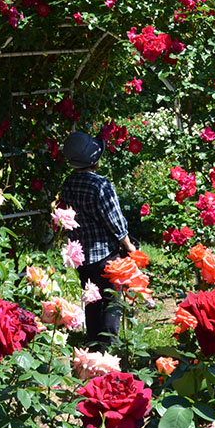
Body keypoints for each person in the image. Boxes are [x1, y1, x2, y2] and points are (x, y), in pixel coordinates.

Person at [60, 131, 136, 348]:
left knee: (91, 297)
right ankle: (109, 344)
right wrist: (129, 246)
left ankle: (92, 341)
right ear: (94, 159)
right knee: (112, 299)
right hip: (105, 253)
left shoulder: (68, 183)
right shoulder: (101, 185)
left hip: (81, 255)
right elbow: (115, 221)